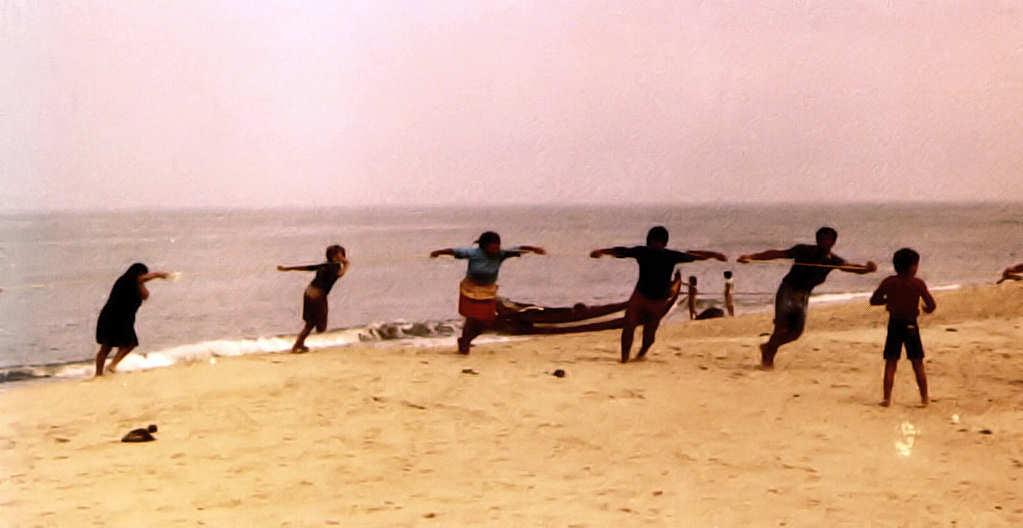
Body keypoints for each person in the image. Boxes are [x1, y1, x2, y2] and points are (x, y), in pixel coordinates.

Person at [737, 227, 876, 369]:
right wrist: (751, 257)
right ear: (817, 240)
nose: (824, 242)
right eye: (821, 239)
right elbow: (777, 253)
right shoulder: (803, 250)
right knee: (781, 328)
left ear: (833, 242)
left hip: (804, 295)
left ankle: (768, 347)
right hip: (788, 290)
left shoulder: (833, 260)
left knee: (796, 333)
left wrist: (867, 269)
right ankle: (768, 359)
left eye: (828, 240)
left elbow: (850, 267)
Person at [590, 226, 727, 363]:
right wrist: (601, 252)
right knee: (629, 326)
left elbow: (693, 256)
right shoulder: (643, 252)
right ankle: (624, 359)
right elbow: (621, 251)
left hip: (658, 301)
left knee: (649, 336)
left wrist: (714, 255)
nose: (656, 245)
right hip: (640, 296)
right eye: (654, 242)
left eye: (658, 242)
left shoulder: (670, 255)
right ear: (649, 242)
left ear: (664, 243)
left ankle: (640, 355)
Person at [430, 231, 546, 354]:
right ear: (485, 246)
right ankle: (465, 342)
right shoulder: (473, 253)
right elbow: (454, 251)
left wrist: (534, 249)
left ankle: (465, 340)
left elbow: (519, 249)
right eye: (493, 247)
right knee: (471, 319)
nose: (496, 250)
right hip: (470, 289)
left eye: (497, 247)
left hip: (488, 290)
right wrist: (438, 252)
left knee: (488, 321)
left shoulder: (501, 254)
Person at [869, 248, 936, 407]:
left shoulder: (889, 282)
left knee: (891, 361)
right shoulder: (918, 283)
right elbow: (931, 305)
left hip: (894, 324)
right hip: (911, 324)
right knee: (917, 362)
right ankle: (924, 398)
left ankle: (887, 398)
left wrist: (889, 300)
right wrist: (926, 309)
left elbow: (874, 300)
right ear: (913, 266)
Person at [94, 263, 171, 376]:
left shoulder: (136, 284)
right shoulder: (125, 280)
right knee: (107, 347)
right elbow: (140, 279)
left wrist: (142, 282)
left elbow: (145, 295)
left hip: (123, 319)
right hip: (112, 317)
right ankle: (100, 373)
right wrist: (158, 275)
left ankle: (110, 366)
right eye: (143, 274)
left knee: (129, 343)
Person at [278, 245, 351, 353]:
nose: (339, 257)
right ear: (332, 256)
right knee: (320, 327)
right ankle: (296, 346)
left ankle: (299, 344)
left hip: (309, 292)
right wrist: (347, 264)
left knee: (311, 323)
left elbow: (308, 268)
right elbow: (340, 274)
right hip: (318, 295)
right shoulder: (335, 267)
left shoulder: (327, 265)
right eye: (337, 255)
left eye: (340, 255)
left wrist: (288, 268)